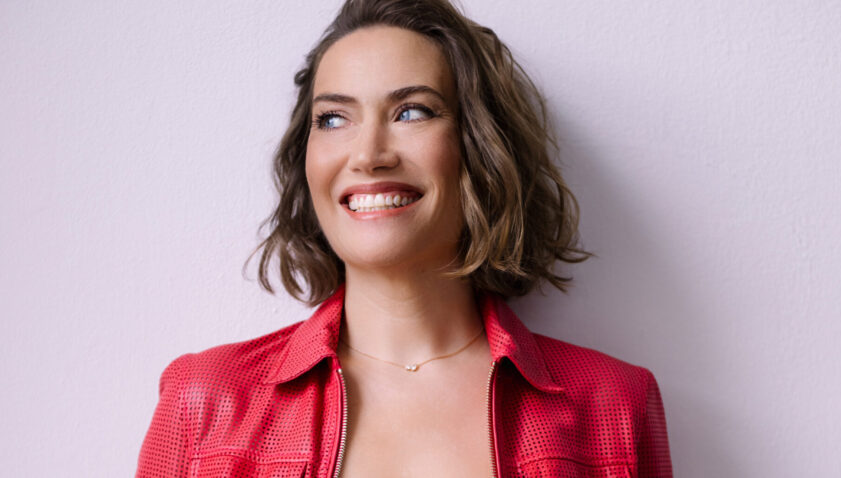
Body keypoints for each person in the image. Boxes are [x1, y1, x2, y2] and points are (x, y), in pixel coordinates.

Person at [136, 0, 673, 476]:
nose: (368, 154)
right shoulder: (202, 401)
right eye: (333, 119)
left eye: (411, 112)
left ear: (480, 148)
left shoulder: (613, 406)